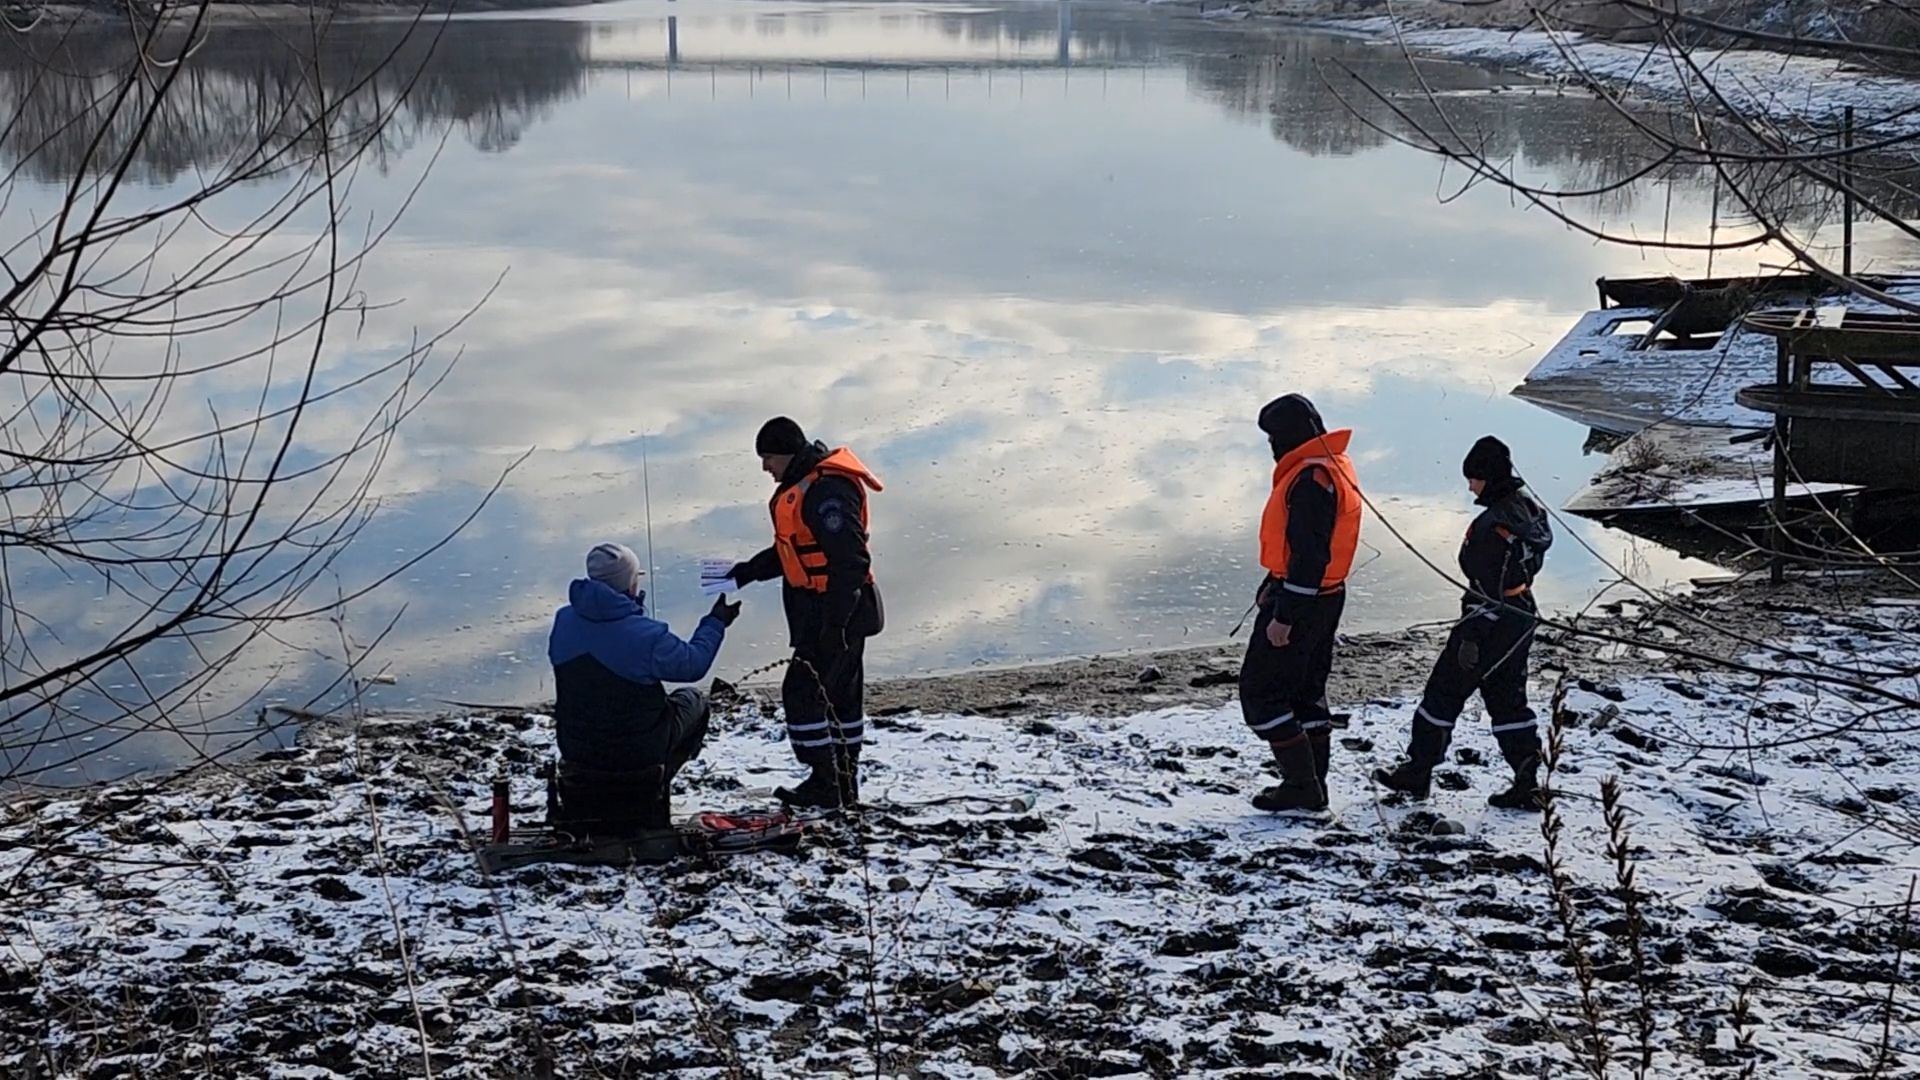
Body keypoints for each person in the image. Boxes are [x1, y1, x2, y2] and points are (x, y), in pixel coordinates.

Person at [1374, 436, 1554, 811]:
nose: (1470, 487)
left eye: (1473, 479)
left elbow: (1486, 587)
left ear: (1488, 477)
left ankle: (1419, 771)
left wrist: (1471, 637)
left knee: (1443, 693)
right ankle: (1527, 782)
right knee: (1508, 699)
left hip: (1486, 621)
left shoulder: (1491, 527)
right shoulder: (1530, 509)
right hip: (1522, 613)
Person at [727, 417, 885, 809]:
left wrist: (835, 624)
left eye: (768, 458)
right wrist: (748, 571)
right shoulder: (806, 484)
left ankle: (825, 782)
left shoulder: (826, 491)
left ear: (787, 453)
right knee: (839, 697)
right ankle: (841, 783)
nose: (765, 467)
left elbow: (850, 560)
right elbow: (794, 551)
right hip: (829, 611)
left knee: (802, 691)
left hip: (836, 612)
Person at [548, 541, 740, 834]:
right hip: (638, 752)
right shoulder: (646, 635)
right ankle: (656, 782)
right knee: (694, 700)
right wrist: (716, 622)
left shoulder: (564, 620)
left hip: (577, 748)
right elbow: (694, 665)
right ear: (630, 583)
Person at [1238, 394, 1364, 812]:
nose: (1270, 446)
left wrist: (1285, 614)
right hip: (1326, 595)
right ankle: (1314, 785)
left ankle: (1301, 786)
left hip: (1303, 598)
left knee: (1261, 694)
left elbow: (1309, 555)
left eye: (1272, 437)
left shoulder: (1310, 480)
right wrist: (1271, 583)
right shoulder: (1332, 465)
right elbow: (1306, 549)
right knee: (1307, 692)